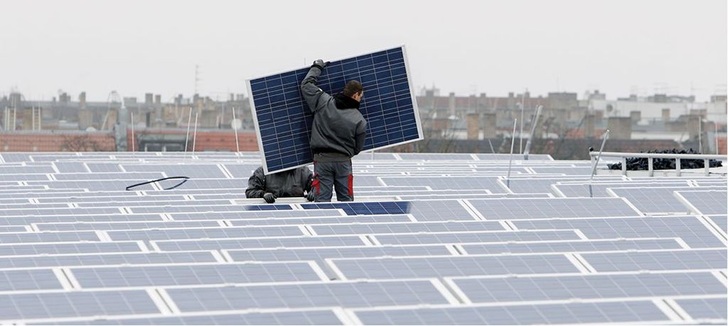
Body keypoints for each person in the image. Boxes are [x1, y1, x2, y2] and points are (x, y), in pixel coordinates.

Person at [300, 59, 367, 202]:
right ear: (355, 95)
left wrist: (317, 67)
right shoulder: (360, 120)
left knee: (321, 204)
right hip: (343, 162)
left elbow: (306, 85)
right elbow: (357, 148)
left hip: (322, 161)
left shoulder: (324, 101)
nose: (361, 99)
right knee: (347, 203)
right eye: (361, 96)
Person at [245, 166, 314, 203]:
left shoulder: (303, 172)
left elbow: (316, 187)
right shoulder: (263, 172)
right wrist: (263, 194)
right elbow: (250, 192)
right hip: (270, 214)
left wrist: (314, 192)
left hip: (297, 213)